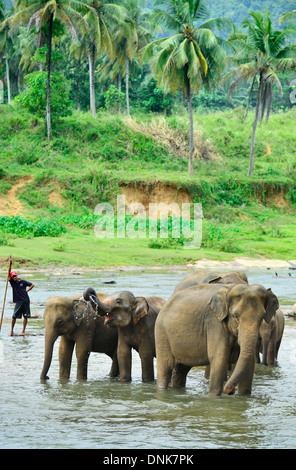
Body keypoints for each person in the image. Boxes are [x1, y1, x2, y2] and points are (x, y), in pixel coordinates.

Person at [8, 260, 34, 336]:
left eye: (15, 276)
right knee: (14, 316)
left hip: (25, 300)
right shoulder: (12, 282)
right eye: (13, 276)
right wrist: (10, 264)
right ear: (12, 278)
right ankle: (11, 331)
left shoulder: (23, 281)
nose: (14, 277)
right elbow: (8, 274)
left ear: (17, 276)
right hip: (18, 301)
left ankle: (23, 331)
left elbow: (32, 285)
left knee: (25, 316)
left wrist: (27, 291)